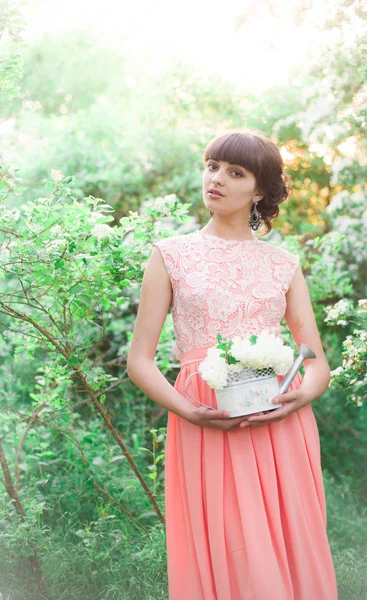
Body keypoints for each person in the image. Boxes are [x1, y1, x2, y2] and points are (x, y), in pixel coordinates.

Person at [127, 129, 338, 600]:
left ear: (259, 190)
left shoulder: (283, 263)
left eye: (235, 172)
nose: (216, 179)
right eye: (212, 166)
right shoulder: (170, 255)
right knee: (226, 541)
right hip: (205, 416)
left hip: (282, 419)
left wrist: (300, 396)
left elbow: (317, 363)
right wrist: (187, 409)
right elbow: (139, 361)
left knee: (286, 539)